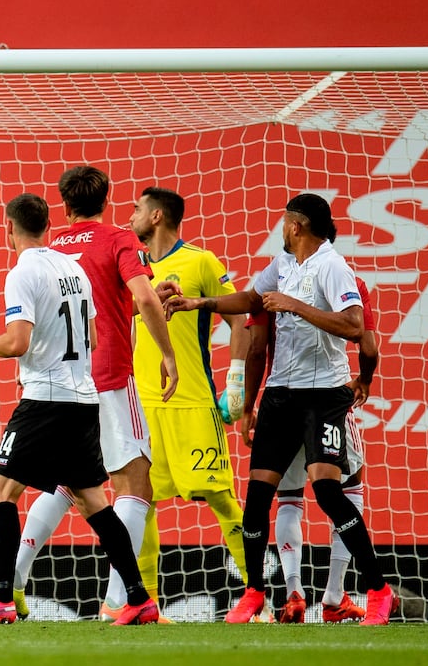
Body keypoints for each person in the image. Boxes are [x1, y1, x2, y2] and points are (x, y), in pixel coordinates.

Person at [165, 193, 398, 626]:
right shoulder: (283, 265)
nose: (282, 229)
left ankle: (379, 591)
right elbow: (250, 299)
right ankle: (255, 592)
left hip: (323, 395)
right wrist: (200, 304)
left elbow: (354, 326)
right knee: (257, 499)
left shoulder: (332, 267)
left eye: (285, 222)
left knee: (328, 492)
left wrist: (295, 306)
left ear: (297, 226)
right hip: (280, 395)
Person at [0, 192, 159, 626]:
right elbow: (94, 338)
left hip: (44, 401)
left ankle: (0, 597)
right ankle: (138, 597)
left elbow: (16, 343)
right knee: (92, 500)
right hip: (83, 399)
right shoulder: (73, 269)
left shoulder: (22, 272)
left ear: (8, 228)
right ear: (49, 226)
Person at [10, 166, 178, 622]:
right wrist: (167, 354)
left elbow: (98, 303)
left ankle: (14, 579)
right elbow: (143, 298)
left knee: (69, 482)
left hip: (61, 382)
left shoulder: (51, 248)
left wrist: (137, 300)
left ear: (64, 206)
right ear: (107, 199)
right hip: (110, 376)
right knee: (134, 484)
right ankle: (118, 602)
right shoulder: (120, 239)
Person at [242, 230, 379, 624]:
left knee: (286, 496)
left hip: (281, 402)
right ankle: (334, 595)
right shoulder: (349, 282)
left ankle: (293, 594)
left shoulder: (275, 284)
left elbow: (256, 348)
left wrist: (247, 405)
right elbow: (368, 346)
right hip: (325, 400)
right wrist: (364, 379)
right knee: (346, 488)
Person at [128, 187, 251, 612]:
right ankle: (147, 604)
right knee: (142, 501)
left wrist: (236, 380)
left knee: (221, 497)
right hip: (144, 405)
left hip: (193, 401)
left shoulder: (201, 261)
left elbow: (241, 321)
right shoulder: (132, 267)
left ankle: (256, 598)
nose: (131, 216)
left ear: (157, 216)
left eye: (137, 209)